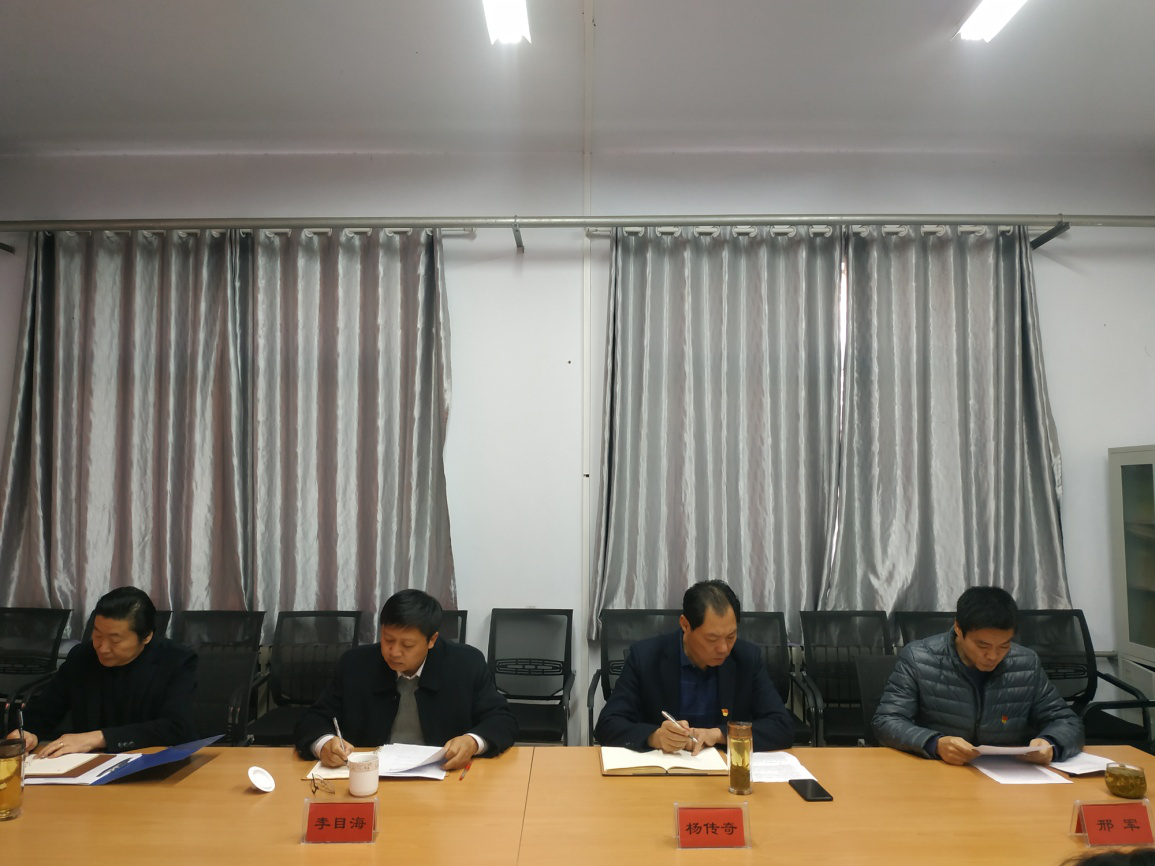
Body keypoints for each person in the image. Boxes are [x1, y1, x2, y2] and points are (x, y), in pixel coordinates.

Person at [294, 589, 517, 771]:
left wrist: (472, 742)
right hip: (369, 777)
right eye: (388, 639)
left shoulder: (466, 664)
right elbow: (313, 719)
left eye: (407, 645)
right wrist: (323, 743)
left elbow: (501, 720)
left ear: (432, 640)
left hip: (444, 779)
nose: (394, 652)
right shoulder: (355, 664)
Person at [872, 586, 1083, 765]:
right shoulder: (919, 658)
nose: (993, 656)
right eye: (982, 645)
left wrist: (1051, 744)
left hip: (1007, 776)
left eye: (1004, 645)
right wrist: (934, 743)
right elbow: (887, 721)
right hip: (940, 771)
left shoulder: (1026, 663)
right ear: (958, 627)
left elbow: (1066, 722)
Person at [593, 580, 794, 753]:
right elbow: (607, 725)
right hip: (666, 768)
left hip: (723, 768)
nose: (724, 648)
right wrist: (656, 737)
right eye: (712, 639)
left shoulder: (746, 659)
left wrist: (721, 734)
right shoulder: (646, 658)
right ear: (685, 625)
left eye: (731, 636)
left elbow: (782, 726)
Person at [6, 586, 198, 755]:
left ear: (147, 636)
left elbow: (177, 728)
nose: (102, 648)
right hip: (89, 767)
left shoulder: (176, 660)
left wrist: (100, 738)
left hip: (154, 765)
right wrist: (29, 733)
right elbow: (45, 711)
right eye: (97, 635)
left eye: (115, 640)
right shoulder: (82, 657)